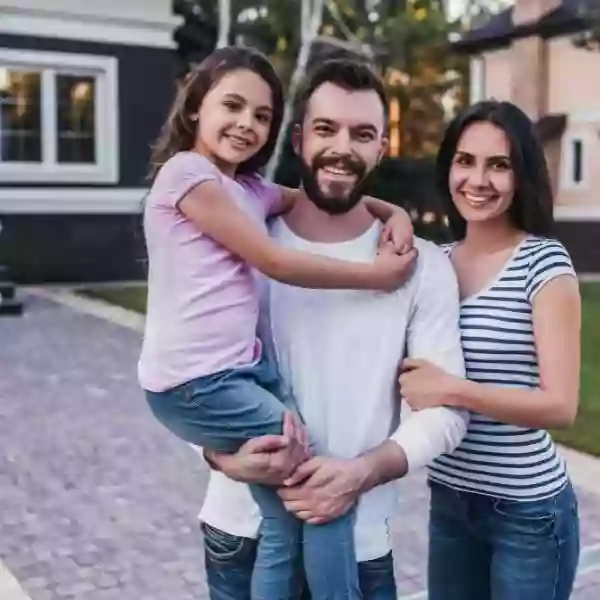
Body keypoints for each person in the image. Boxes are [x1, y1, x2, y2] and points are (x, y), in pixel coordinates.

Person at [138, 46, 418, 600]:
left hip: (237, 374)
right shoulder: (186, 175)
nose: (246, 124)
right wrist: (376, 277)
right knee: (317, 495)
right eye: (233, 106)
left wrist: (397, 213)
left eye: (261, 115)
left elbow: (320, 195)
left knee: (290, 510)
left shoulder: (248, 191)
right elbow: (275, 261)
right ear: (195, 107)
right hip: (199, 382)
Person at [197, 58, 470, 600]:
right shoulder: (241, 244)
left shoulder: (422, 267)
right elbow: (191, 374)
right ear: (298, 139)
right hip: (243, 531)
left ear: (381, 148)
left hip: (358, 537)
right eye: (326, 129)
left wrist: (361, 472)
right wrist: (220, 456)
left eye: (362, 134)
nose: (342, 147)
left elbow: (444, 413)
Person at [399, 100, 581, 600]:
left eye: (498, 165)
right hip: (451, 500)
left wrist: (451, 390)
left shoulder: (542, 262)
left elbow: (560, 405)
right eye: (465, 161)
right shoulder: (433, 263)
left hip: (527, 514)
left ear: (521, 174)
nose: (478, 179)